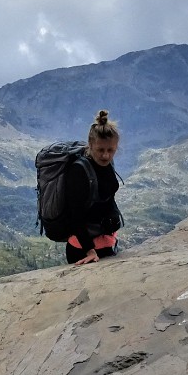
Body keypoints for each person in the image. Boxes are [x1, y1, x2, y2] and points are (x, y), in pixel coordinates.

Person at [64, 109, 124, 266]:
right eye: (100, 150)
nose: (105, 155)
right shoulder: (79, 171)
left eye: (110, 150)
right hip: (83, 249)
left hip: (106, 242)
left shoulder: (108, 164)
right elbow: (75, 216)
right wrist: (90, 251)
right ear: (90, 145)